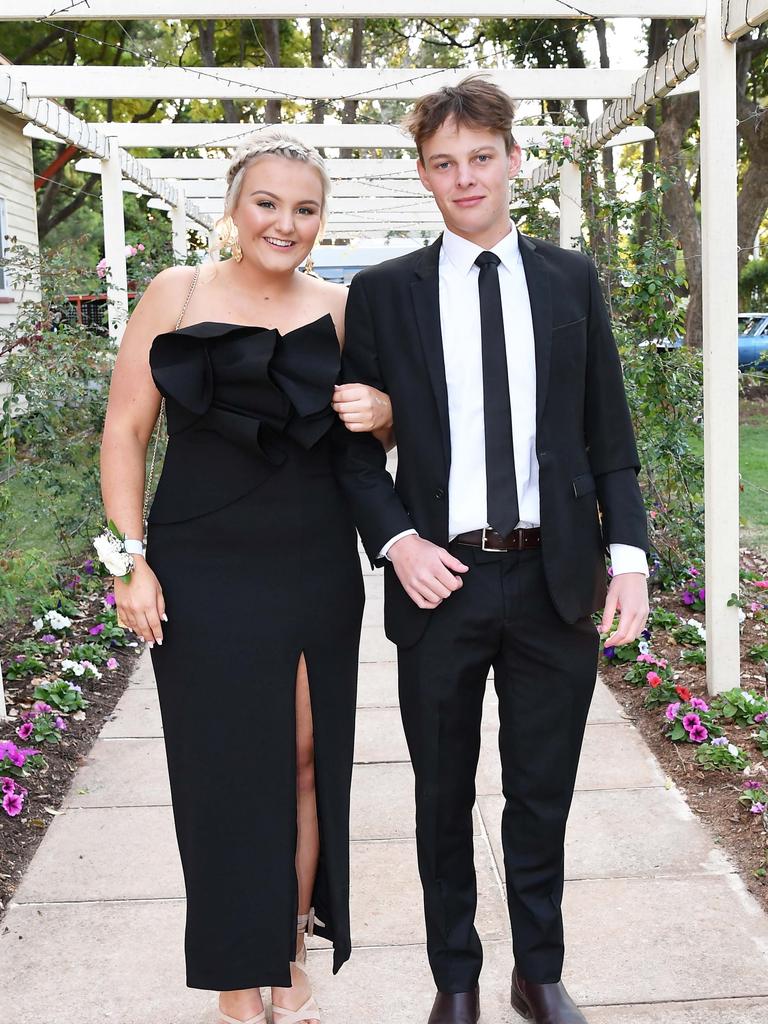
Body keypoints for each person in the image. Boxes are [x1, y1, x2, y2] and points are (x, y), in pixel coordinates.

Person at [333, 76, 650, 1024]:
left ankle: (538, 971)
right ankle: (457, 980)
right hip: (442, 581)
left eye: (481, 157)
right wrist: (397, 542)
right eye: (444, 163)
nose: (464, 177)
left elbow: (610, 436)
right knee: (441, 796)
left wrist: (626, 558)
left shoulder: (570, 280)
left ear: (514, 159)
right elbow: (352, 449)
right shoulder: (385, 293)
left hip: (554, 578)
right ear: (424, 174)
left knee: (541, 789)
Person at [99, 129, 392, 1024]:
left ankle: (286, 939)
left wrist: (384, 417)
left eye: (305, 208)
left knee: (305, 761)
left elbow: (378, 444)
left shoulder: (344, 309)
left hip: (313, 559)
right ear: (235, 205)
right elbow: (123, 433)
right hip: (200, 563)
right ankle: (236, 974)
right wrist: (130, 560)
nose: (285, 222)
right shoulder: (176, 293)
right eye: (268, 202)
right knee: (223, 768)